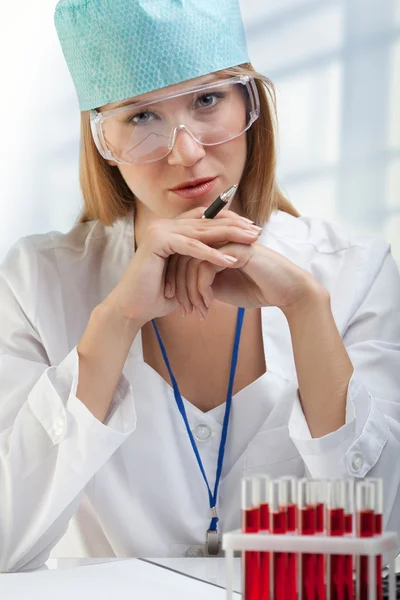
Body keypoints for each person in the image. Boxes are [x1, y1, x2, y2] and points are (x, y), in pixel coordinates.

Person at [0, 0, 399, 573]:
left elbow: (383, 535)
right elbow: (5, 544)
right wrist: (112, 325)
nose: (186, 153)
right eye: (140, 117)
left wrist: (306, 309)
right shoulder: (36, 281)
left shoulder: (356, 270)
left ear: (251, 102)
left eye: (208, 99)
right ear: (101, 139)